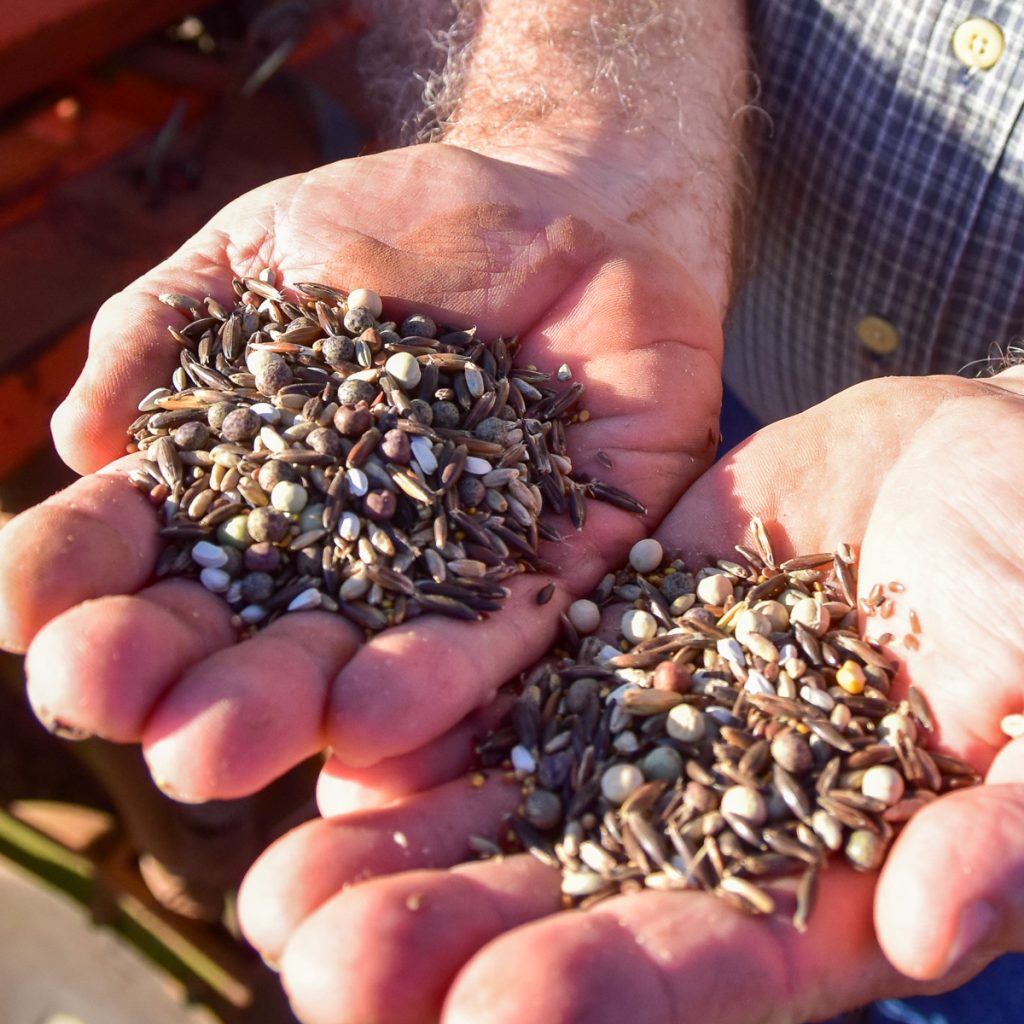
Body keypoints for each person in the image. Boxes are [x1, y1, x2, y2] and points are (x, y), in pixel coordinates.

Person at [1, 1, 1023, 1021]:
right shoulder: (571, 443)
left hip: (898, 521)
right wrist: (578, 131)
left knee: (939, 920)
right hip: (663, 380)